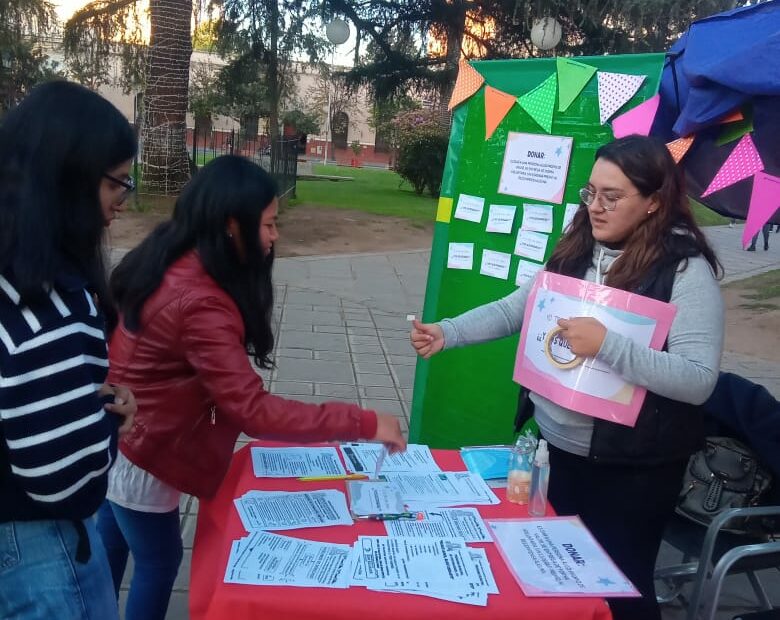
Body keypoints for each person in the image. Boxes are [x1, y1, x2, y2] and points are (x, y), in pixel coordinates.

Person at [411, 135, 724, 620]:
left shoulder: (683, 270)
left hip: (632, 471)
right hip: (555, 451)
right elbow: (516, 309)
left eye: (611, 197)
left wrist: (608, 346)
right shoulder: (577, 246)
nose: (595, 207)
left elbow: (699, 378)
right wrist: (448, 332)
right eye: (590, 192)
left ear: (654, 202)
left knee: (619, 590)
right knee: (555, 577)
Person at [97, 155, 406, 620]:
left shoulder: (174, 255)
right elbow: (252, 409)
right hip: (146, 451)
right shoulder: (198, 301)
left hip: (126, 439)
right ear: (231, 225)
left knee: (111, 548)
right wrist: (363, 422)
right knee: (158, 562)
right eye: (268, 224)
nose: (275, 236)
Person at [0, 81, 138, 619]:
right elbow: (66, 475)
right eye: (117, 184)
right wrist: (109, 420)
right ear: (70, 178)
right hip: (43, 551)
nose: (121, 202)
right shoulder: (49, 301)